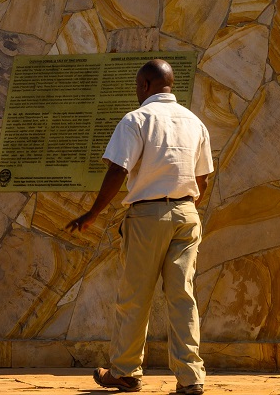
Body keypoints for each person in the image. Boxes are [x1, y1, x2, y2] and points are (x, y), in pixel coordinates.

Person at [67, 59, 213, 395]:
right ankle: (191, 377)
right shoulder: (195, 122)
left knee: (135, 296)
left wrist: (92, 213)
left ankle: (126, 371)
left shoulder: (137, 119)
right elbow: (202, 178)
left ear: (145, 85)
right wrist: (184, 206)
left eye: (137, 86)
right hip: (187, 213)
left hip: (148, 216)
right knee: (182, 296)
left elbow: (118, 170)